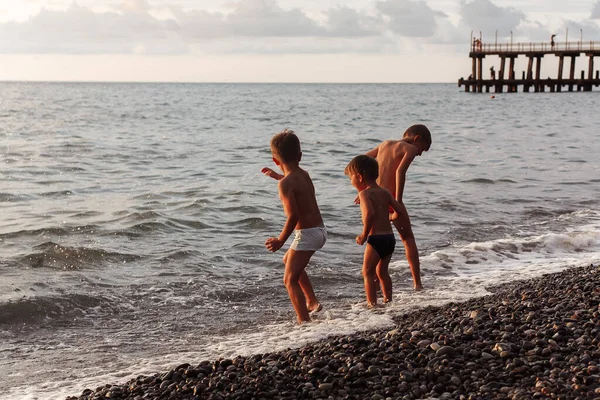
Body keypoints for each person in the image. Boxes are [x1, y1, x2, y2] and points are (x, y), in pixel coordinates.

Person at [261, 129, 326, 323]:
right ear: (300, 156)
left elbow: (293, 215)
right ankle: (312, 302)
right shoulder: (303, 175)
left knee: (289, 280)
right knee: (288, 260)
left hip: (306, 233)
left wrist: (281, 240)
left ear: (275, 160)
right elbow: (296, 186)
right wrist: (279, 177)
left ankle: (303, 321)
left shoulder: (285, 184)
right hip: (320, 230)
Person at [363, 124, 432, 290]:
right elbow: (400, 172)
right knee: (408, 239)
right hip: (391, 200)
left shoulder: (385, 144)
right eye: (423, 149)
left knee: (376, 240)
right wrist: (398, 202)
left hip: (374, 200)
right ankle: (417, 284)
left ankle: (376, 288)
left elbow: (362, 161)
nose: (420, 153)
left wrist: (363, 191)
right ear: (417, 139)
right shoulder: (410, 148)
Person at [345, 155, 405, 307]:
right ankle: (388, 300)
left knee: (367, 272)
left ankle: (372, 304)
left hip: (375, 239)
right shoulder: (384, 192)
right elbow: (399, 210)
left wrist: (363, 235)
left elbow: (369, 214)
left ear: (359, 177)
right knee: (382, 272)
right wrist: (390, 217)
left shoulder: (364, 194)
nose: (350, 182)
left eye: (350, 178)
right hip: (389, 238)